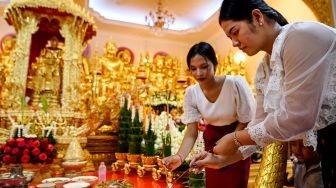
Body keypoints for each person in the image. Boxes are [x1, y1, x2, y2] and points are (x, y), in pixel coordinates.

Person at [191, 0, 336, 187]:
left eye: (235, 32)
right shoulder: (264, 68)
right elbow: (259, 125)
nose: (234, 43)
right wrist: (221, 160)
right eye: (229, 38)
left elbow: (298, 118)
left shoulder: (298, 36)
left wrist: (235, 138)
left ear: (258, 17)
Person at [163, 42, 256, 188]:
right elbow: (191, 132)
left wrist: (231, 143)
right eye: (193, 69)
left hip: (237, 140)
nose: (198, 73)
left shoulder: (235, 84)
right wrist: (179, 157)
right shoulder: (191, 93)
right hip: (212, 144)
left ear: (215, 64)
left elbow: (247, 120)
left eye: (204, 67)